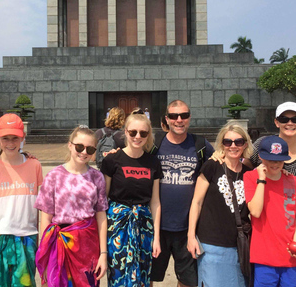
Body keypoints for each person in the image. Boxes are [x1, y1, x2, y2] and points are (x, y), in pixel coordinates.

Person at [244, 102, 296, 287]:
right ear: (276, 122)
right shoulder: (261, 145)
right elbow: (244, 165)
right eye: (284, 119)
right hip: (266, 232)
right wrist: (260, 177)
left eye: (295, 119)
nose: (290, 123)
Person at [150, 100, 214, 287]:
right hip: (157, 226)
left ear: (189, 118)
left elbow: (220, 163)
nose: (179, 120)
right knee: (148, 275)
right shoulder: (155, 144)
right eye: (174, 116)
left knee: (188, 280)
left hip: (188, 227)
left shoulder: (201, 145)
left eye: (184, 116)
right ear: (167, 119)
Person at [35, 126, 108, 287]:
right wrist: (45, 255)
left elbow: (101, 216)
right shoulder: (54, 176)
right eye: (79, 147)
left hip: (88, 247)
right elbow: (45, 218)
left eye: (89, 149)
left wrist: (103, 254)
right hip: (59, 246)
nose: (84, 152)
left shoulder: (97, 177)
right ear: (70, 145)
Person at [0, 113, 43, 286]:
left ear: (22, 137)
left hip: (27, 239)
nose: (10, 143)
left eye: (15, 138)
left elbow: (40, 211)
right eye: (5, 138)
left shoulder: (34, 166)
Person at [187, 122, 253, 286]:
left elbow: (272, 169)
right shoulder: (212, 166)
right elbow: (197, 202)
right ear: (221, 144)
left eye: (238, 142)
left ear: (245, 144)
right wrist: (190, 236)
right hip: (211, 245)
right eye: (227, 142)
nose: (233, 146)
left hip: (239, 246)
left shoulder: (249, 173)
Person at [101, 112, 162, 286]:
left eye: (143, 133)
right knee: (117, 275)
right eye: (133, 132)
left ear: (148, 135)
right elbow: (103, 201)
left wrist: (156, 237)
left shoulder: (153, 163)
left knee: (143, 275)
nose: (137, 137)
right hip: (117, 227)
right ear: (125, 132)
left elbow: (155, 201)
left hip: (144, 227)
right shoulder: (112, 160)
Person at [244, 136, 296, 287]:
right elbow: (255, 212)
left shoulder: (294, 181)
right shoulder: (251, 177)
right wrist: (262, 180)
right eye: (270, 159)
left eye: (279, 159)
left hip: (290, 256)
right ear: (260, 157)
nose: (275, 163)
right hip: (265, 255)